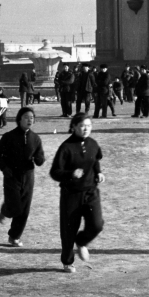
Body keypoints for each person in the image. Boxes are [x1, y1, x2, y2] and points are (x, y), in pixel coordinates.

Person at [50, 113, 105, 273]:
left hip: (91, 191)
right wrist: (70, 174)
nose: (86, 129)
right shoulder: (66, 147)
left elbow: (95, 160)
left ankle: (81, 241)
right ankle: (67, 261)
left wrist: (98, 172)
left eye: (88, 125)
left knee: (97, 224)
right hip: (71, 194)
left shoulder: (93, 143)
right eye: (82, 126)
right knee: (69, 229)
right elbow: (55, 172)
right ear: (73, 127)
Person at [0, 106, 45, 247]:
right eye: (26, 117)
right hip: (11, 175)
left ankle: (14, 236)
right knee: (15, 207)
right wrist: (4, 168)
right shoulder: (9, 136)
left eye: (32, 118)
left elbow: (40, 157)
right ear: (19, 119)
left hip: (28, 176)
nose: (29, 120)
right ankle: (6, 209)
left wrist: (39, 159)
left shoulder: (35, 138)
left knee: (24, 209)